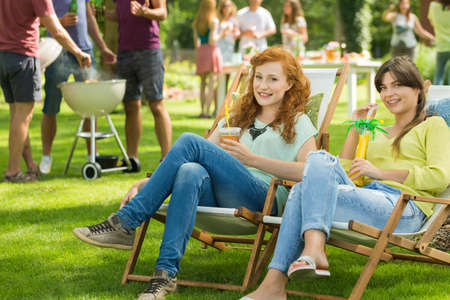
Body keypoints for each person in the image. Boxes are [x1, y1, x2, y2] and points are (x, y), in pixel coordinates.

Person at [72, 47, 318, 300]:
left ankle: (125, 223)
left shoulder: (299, 122)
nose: (262, 85)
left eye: (272, 79)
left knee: (190, 141)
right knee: (190, 170)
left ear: (289, 83)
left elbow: (311, 172)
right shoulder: (237, 118)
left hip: (264, 198)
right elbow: (188, 158)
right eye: (258, 77)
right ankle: (165, 275)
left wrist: (253, 160)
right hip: (219, 197)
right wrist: (145, 183)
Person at [240, 56, 450, 300]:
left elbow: (439, 177)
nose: (388, 93)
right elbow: (346, 172)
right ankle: (312, 250)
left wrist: (380, 173)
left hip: (405, 207)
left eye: (396, 85)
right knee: (317, 161)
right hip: (369, 196)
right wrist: (355, 128)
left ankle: (277, 283)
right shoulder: (377, 130)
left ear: (418, 88)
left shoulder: (433, 125)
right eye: (382, 87)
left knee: (301, 190)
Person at [0, 0, 91, 183]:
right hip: (23, 55)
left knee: (17, 115)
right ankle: (13, 171)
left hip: (3, 56)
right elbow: (56, 29)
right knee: (23, 116)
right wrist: (78, 53)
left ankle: (30, 165)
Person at [39, 0, 117, 175]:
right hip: (57, 50)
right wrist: (61, 21)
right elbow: (40, 20)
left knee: (91, 106)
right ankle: (46, 157)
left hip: (85, 50)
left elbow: (89, 17)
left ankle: (93, 155)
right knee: (51, 105)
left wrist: (103, 47)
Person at [106, 0, 172, 169]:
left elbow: (162, 12)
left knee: (156, 104)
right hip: (124, 53)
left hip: (149, 51)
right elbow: (120, 14)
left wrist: (145, 12)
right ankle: (131, 159)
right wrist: (102, 13)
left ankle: (167, 159)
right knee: (130, 106)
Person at [193, 0, 223, 119]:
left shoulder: (197, 22)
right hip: (211, 52)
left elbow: (196, 43)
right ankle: (207, 111)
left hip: (201, 52)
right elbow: (212, 40)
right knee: (211, 83)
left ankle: (202, 110)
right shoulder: (213, 21)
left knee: (202, 83)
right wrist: (223, 34)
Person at [428, 0, 450, 85]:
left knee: (438, 77)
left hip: (441, 46)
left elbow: (432, 22)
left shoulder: (433, 5)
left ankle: (436, 98)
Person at [217, 0, 239, 65]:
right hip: (219, 45)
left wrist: (235, 34)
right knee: (219, 64)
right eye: (224, 6)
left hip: (230, 45)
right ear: (221, 8)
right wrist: (224, 32)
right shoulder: (217, 19)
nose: (226, 8)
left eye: (229, 6)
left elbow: (236, 34)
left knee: (229, 64)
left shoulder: (234, 20)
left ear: (232, 7)